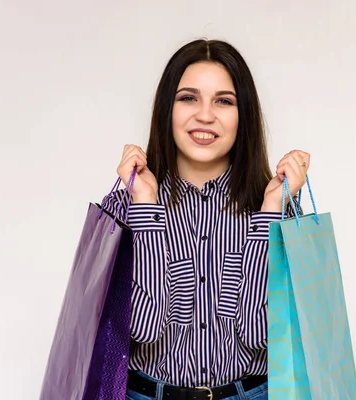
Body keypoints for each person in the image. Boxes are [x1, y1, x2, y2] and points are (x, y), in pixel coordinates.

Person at [102, 39, 310, 400]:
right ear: (167, 109)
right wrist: (147, 206)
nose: (205, 115)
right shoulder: (125, 206)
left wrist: (270, 213)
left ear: (242, 114)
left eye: (224, 101)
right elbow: (144, 328)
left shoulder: (277, 207)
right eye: (188, 98)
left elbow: (260, 335)